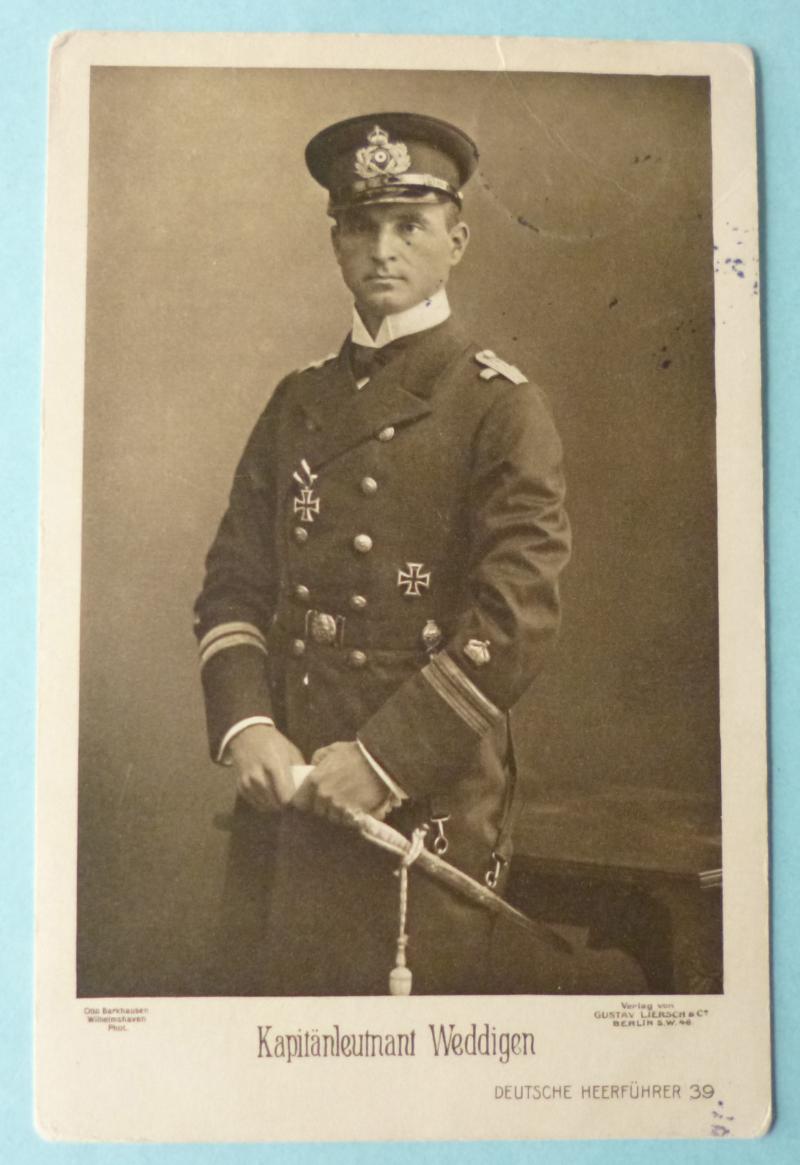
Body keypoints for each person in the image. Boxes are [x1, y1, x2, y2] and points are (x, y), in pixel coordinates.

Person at [194, 112, 572, 995]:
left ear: (457, 238)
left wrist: (383, 759)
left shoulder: (500, 407)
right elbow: (234, 585)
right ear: (335, 242)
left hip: (419, 803)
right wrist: (246, 723)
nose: (383, 249)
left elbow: (513, 620)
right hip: (286, 797)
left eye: (410, 224)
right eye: (361, 225)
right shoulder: (297, 401)